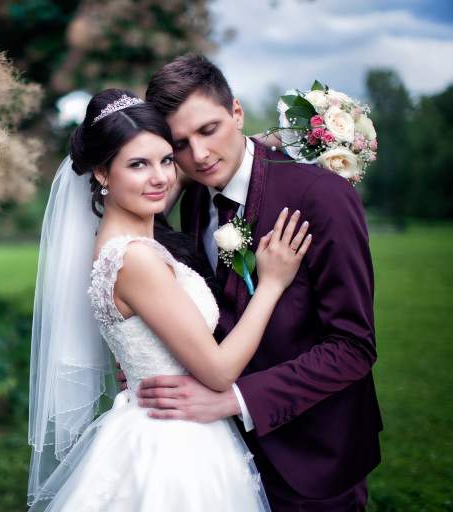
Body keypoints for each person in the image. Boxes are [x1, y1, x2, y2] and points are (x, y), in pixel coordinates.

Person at [27, 88, 312, 511]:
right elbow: (219, 372)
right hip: (172, 444)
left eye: (165, 159)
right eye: (138, 164)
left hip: (159, 421)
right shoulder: (135, 259)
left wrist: (258, 143)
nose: (160, 177)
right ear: (102, 174)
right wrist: (271, 285)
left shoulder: (117, 238)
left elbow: (173, 178)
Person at [135, 55, 382, 511]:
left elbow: (353, 346)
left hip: (315, 456)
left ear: (237, 112)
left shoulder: (321, 196)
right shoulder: (195, 199)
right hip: (227, 458)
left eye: (208, 130)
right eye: (180, 144)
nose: (199, 155)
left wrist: (236, 399)